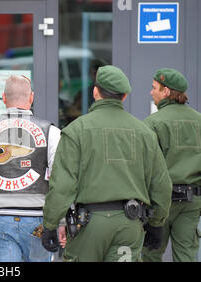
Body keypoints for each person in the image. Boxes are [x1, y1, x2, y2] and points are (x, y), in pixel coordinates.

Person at [41, 65, 173, 262]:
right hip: (130, 223)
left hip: (89, 225)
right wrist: (156, 223)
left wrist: (51, 224)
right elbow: (161, 184)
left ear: (95, 92)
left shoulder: (76, 130)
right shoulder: (145, 133)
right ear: (125, 96)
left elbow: (63, 184)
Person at [0, 75, 61, 262]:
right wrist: (58, 221)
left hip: (0, 219)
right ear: (31, 97)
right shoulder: (51, 132)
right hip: (38, 220)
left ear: (4, 98)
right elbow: (62, 180)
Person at [141, 68, 201, 262]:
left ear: (166, 92)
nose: (151, 92)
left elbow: (145, 168)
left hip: (160, 202)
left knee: (151, 253)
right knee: (186, 256)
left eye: (154, 88)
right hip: (192, 201)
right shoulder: (199, 121)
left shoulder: (152, 123)